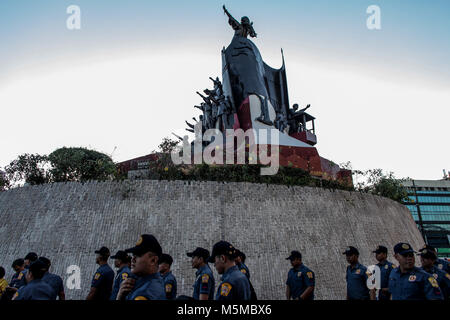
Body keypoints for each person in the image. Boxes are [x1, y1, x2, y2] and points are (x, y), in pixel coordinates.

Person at [116, 234, 166, 300]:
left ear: (153, 260)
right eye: (133, 255)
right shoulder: (146, 282)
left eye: (138, 255)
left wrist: (119, 298)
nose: (132, 259)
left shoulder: (145, 293)